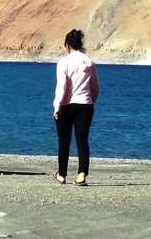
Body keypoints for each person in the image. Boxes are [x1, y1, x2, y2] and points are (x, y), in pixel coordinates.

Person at [52, 29, 99, 186]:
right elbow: (95, 88)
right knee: (82, 140)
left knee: (64, 141)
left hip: (66, 106)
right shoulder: (88, 62)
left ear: (67, 45)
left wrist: (57, 106)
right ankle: (82, 174)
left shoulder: (63, 62)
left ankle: (62, 174)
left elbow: (62, 87)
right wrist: (90, 101)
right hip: (85, 105)